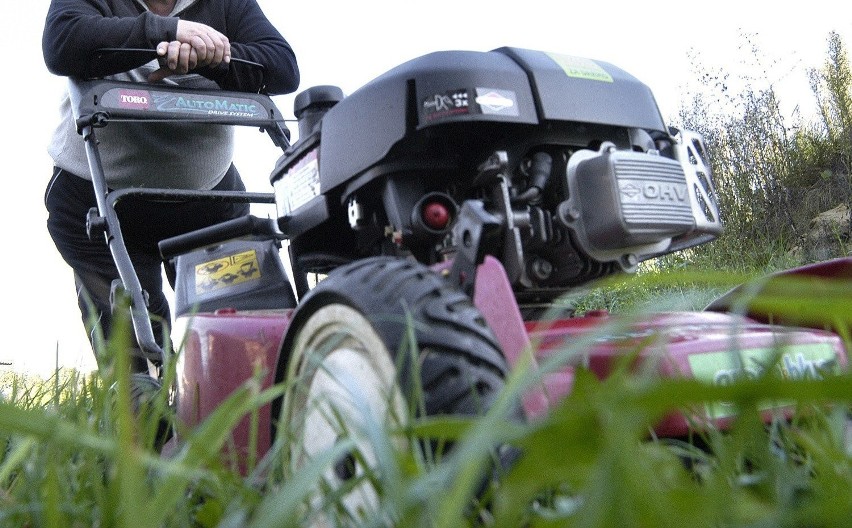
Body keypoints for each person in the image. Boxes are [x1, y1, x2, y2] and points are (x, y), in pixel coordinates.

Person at [42, 0, 300, 375]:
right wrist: (166, 32)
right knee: (136, 356)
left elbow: (282, 66)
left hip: (207, 202)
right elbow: (62, 40)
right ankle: (147, 413)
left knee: (238, 343)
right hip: (97, 203)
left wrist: (210, 55)